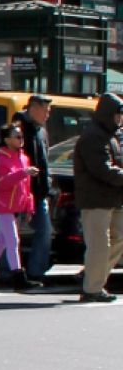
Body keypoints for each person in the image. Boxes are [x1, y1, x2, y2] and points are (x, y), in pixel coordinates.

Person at [0, 125, 42, 291]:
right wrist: (24, 172)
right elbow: (3, 183)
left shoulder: (23, 157)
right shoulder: (1, 157)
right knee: (13, 240)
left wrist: (29, 207)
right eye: (16, 136)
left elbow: (26, 187)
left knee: (2, 242)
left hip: (15, 205)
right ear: (7, 140)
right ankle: (18, 277)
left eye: (21, 136)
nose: (21, 139)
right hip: (3, 205)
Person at [73, 92, 123, 303]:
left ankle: (94, 277)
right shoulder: (93, 136)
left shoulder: (109, 135)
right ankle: (92, 287)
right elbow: (101, 168)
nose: (120, 119)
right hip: (95, 201)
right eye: (118, 114)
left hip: (112, 199)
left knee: (118, 239)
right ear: (108, 114)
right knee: (99, 245)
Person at [14, 94, 55, 281]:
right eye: (45, 110)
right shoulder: (19, 128)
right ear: (34, 108)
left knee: (44, 231)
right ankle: (6, 272)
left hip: (38, 193)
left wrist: (47, 186)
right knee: (10, 235)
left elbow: (44, 161)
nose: (48, 114)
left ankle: (35, 272)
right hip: (19, 191)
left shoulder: (41, 130)